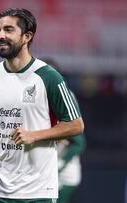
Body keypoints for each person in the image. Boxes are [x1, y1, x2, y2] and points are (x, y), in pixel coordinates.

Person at [0, 8, 85, 203]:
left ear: (27, 36)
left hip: (38, 191)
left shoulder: (49, 77)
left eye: (8, 30)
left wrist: (34, 135)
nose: (1, 36)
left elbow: (76, 125)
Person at [42, 58, 87, 203]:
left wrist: (59, 165)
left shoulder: (66, 98)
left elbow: (78, 142)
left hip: (63, 173)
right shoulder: (31, 98)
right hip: (41, 170)